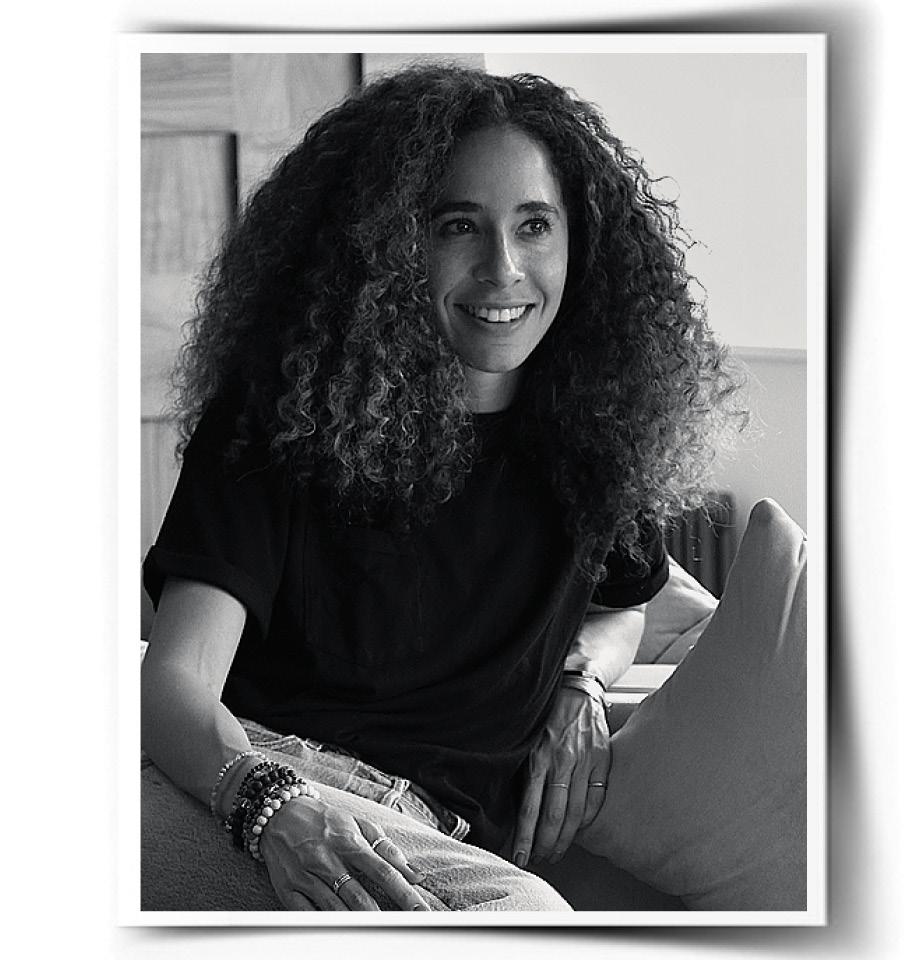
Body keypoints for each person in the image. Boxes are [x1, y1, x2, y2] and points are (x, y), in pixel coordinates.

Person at [141, 63, 744, 911]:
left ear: (580, 244)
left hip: (433, 834)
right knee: (531, 918)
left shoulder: (596, 445)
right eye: (458, 225)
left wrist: (582, 682)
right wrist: (274, 809)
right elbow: (172, 682)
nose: (504, 268)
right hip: (252, 786)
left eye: (534, 225)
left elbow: (624, 602)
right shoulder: (278, 424)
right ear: (385, 246)